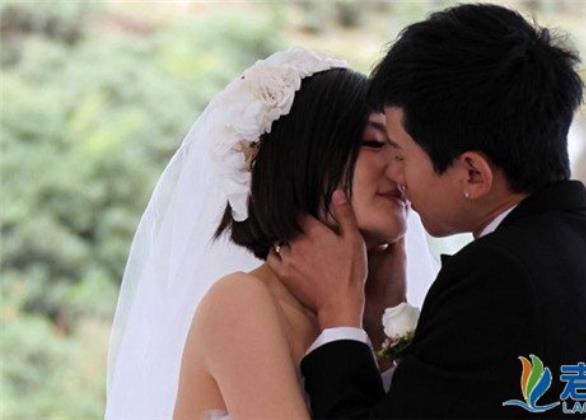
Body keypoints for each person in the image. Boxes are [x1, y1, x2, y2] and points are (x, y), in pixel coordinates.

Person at [268, 4, 586, 418]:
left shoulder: (498, 279)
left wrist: (338, 314)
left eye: (402, 154)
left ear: (473, 174)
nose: (397, 175)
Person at [104, 47, 438, 419]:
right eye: (376, 143)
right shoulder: (241, 301)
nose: (401, 171)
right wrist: (342, 316)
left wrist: (378, 331)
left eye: (402, 150)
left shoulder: (363, 317)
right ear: (306, 155)